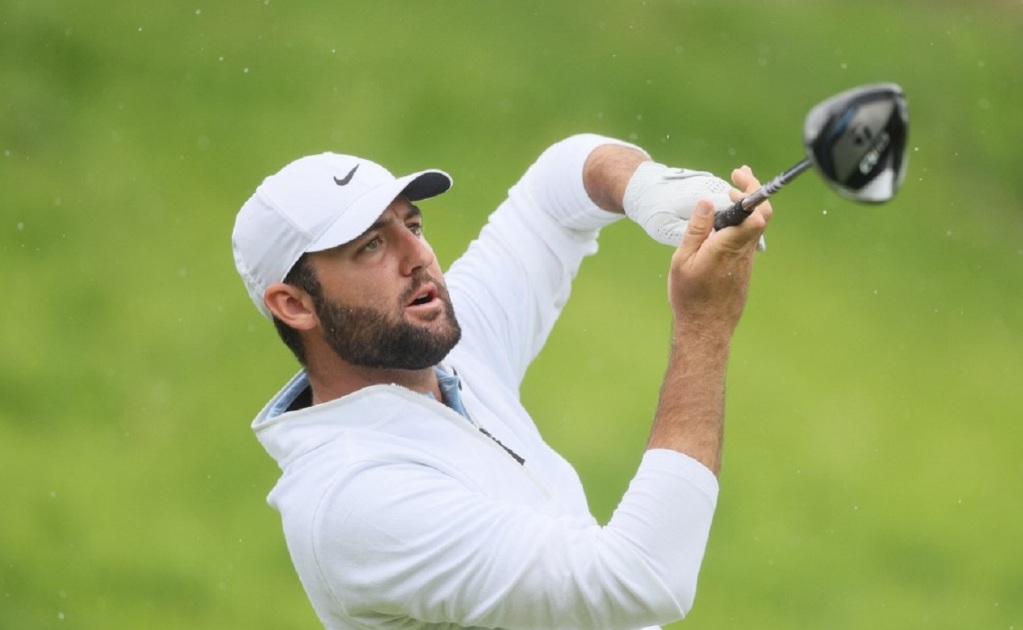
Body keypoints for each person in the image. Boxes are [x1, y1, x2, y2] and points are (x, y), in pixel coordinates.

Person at [231, 133, 772, 629]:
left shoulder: (441, 360)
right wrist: (705, 326)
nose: (418, 257)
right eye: (370, 245)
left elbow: (557, 187)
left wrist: (646, 186)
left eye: (412, 226)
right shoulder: (353, 499)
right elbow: (642, 579)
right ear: (294, 304)